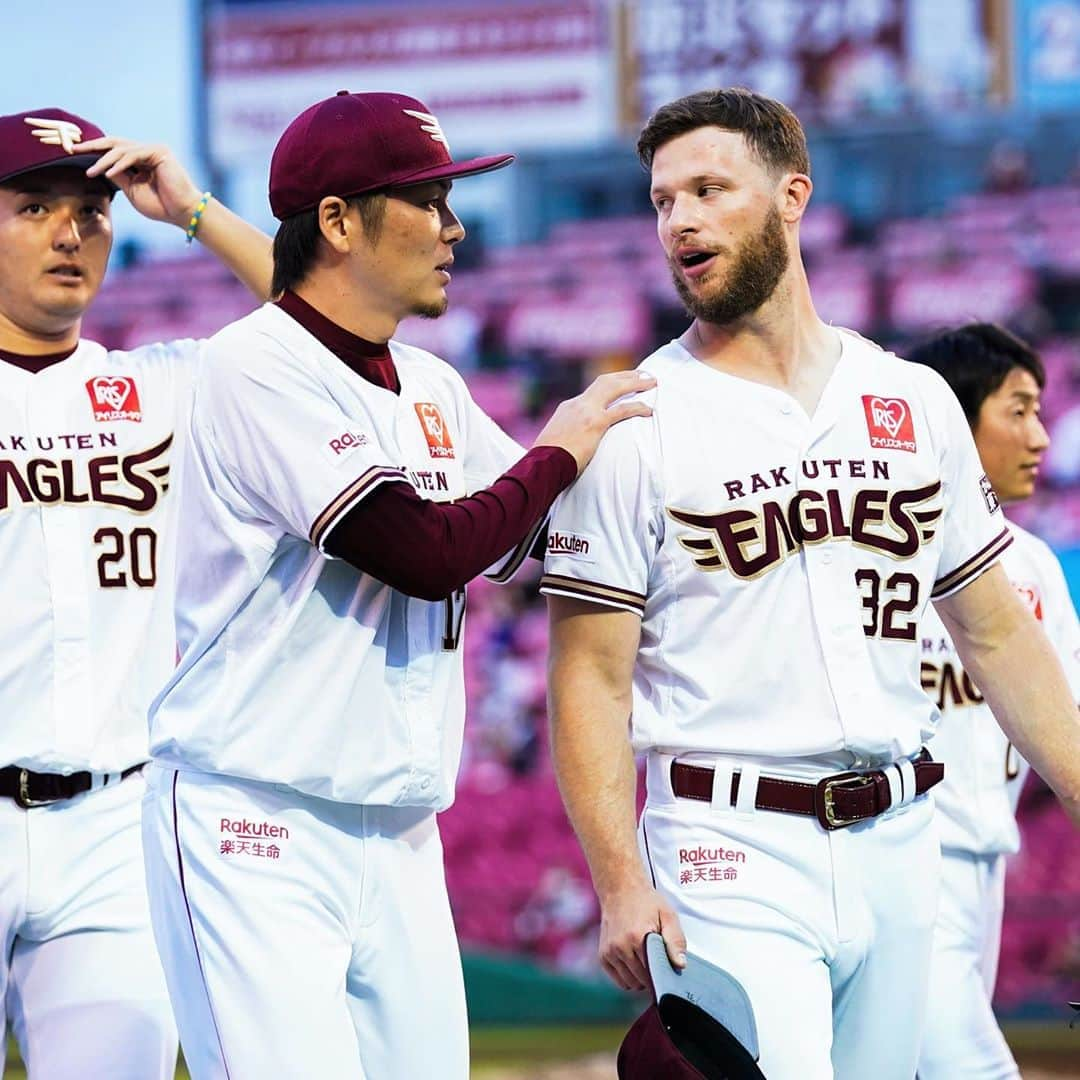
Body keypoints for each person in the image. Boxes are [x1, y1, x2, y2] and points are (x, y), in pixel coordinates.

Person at [540, 88, 1080, 1080]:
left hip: (905, 839)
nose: (680, 221)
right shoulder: (632, 421)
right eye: (663, 201)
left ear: (794, 196)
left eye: (709, 188)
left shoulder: (911, 400)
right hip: (727, 842)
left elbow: (996, 633)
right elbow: (588, 677)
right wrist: (620, 881)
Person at [139, 90, 653, 1080]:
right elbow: (419, 550)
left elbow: (535, 533)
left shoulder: (431, 387)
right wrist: (559, 448)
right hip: (254, 819)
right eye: (427, 200)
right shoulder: (251, 364)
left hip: (400, 829)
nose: (455, 226)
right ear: (337, 222)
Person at [0, 106, 272, 1079]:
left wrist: (196, 210)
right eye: (34, 206)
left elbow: (337, 333)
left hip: (115, 827)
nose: (72, 232)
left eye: (93, 208)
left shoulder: (165, 387)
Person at [908, 324, 1080, 1079]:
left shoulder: (1036, 565)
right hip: (904, 862)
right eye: (1018, 410)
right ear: (952, 417)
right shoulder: (886, 547)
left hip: (987, 866)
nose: (1040, 436)